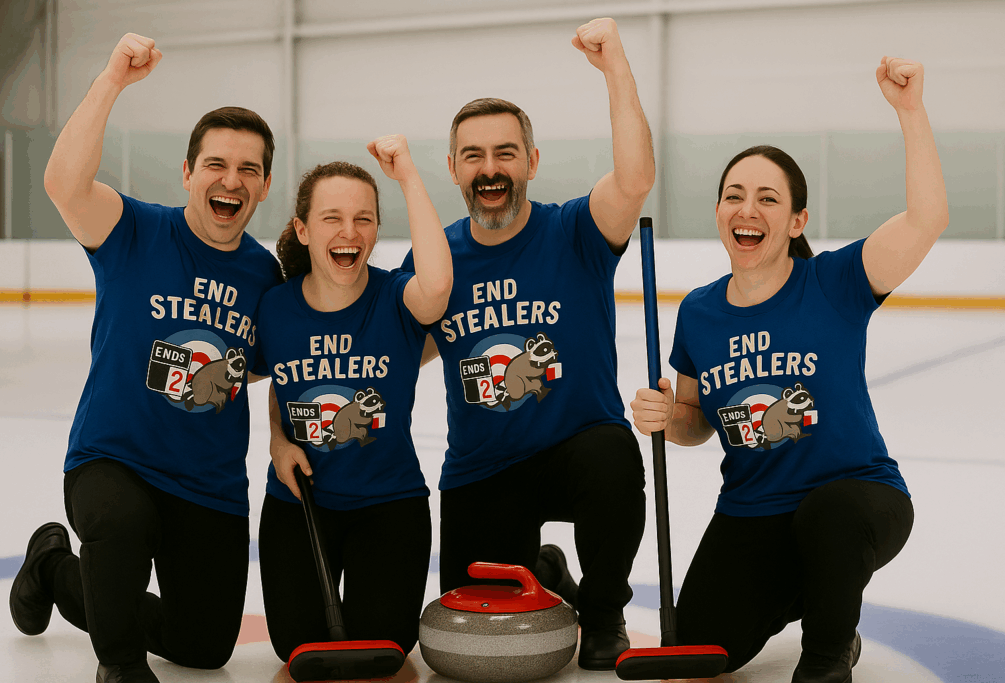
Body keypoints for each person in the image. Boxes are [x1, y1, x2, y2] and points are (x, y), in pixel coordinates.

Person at [629, 56, 945, 683]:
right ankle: (825, 590)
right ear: (719, 211)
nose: (747, 209)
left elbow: (926, 218)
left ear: (797, 220)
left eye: (768, 199)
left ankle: (828, 655)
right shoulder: (698, 312)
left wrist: (910, 110)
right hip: (754, 510)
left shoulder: (835, 282)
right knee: (701, 648)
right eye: (734, 196)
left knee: (829, 517)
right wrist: (666, 417)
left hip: (858, 498)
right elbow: (695, 421)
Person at [8, 34, 283, 683]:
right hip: (114, 461)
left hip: (208, 484)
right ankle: (121, 664)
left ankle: (53, 569)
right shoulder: (132, 229)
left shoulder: (262, 274)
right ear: (187, 173)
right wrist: (111, 80)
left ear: (265, 184)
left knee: (203, 646)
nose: (232, 180)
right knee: (122, 525)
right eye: (217, 164)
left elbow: (268, 363)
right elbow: (63, 183)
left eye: (248, 169)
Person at [402, 17, 655, 670]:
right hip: (484, 468)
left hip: (579, 449)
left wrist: (615, 66)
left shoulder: (575, 232)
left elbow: (633, 180)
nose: (491, 169)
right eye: (474, 155)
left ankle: (604, 613)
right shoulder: (437, 257)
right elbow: (395, 352)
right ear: (454, 168)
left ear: (532, 162)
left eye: (506, 153)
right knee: (480, 628)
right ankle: (545, 571)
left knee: (612, 454)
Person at [259, 136, 451, 662]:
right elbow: (281, 382)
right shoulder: (273, 308)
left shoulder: (398, 298)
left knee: (384, 647)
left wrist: (407, 174)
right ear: (302, 230)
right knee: (298, 648)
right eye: (332, 218)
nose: (350, 232)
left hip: (389, 504)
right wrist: (277, 440)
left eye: (364, 219)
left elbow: (437, 285)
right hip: (301, 504)